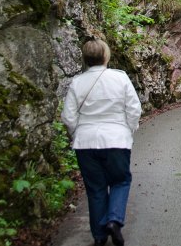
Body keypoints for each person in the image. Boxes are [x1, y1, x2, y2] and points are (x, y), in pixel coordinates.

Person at [61, 39, 141, 246]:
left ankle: (99, 236)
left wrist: (78, 133)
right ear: (105, 56)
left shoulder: (77, 83)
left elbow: (68, 117)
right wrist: (128, 130)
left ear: (85, 59)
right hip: (117, 139)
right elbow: (134, 109)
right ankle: (114, 221)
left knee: (95, 189)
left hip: (85, 143)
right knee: (120, 181)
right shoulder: (120, 79)